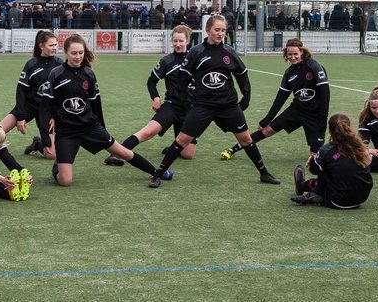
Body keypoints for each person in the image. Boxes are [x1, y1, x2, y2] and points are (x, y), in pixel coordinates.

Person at [148, 13, 281, 189]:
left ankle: (264, 173)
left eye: (223, 30)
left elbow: (242, 75)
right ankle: (157, 175)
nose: (220, 33)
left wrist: (246, 96)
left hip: (228, 106)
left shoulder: (229, 52)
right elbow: (183, 79)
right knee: (181, 140)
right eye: (217, 29)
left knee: (246, 140)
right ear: (208, 30)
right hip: (203, 106)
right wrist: (184, 99)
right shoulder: (196, 52)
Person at [37, 33, 162, 187]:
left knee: (122, 152)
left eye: (81, 53)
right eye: (74, 53)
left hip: (89, 127)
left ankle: (157, 172)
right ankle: (59, 165)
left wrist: (102, 128)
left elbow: (95, 104)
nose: (78, 57)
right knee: (65, 181)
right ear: (66, 53)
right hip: (66, 131)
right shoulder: (56, 74)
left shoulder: (88, 74)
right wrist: (47, 138)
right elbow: (45, 106)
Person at [221, 38, 330, 164]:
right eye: (290, 54)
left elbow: (325, 93)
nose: (293, 57)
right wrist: (267, 119)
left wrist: (323, 117)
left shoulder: (314, 66)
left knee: (315, 158)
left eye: (295, 54)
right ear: (286, 54)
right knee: (266, 130)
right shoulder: (289, 73)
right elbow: (280, 98)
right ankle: (233, 149)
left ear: (302, 52)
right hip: (297, 110)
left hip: (315, 114)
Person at [104, 25, 197, 170]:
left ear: (188, 41)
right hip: (171, 106)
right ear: (171, 41)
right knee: (147, 132)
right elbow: (151, 81)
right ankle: (115, 154)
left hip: (189, 110)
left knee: (188, 155)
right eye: (175, 41)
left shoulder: (195, 60)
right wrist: (156, 98)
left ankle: (173, 147)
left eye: (181, 41)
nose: (178, 44)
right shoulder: (167, 61)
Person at [290, 114, 374, 209]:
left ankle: (307, 189)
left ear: (330, 130)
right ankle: (310, 191)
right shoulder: (359, 146)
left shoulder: (327, 150)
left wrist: (313, 159)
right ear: (349, 127)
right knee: (335, 168)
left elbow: (314, 170)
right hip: (361, 199)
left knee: (324, 167)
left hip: (337, 201)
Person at [0, 30, 61, 159]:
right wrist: (20, 116)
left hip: (47, 111)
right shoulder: (31, 64)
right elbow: (21, 91)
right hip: (28, 106)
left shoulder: (60, 64)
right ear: (41, 46)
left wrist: (55, 115)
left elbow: (62, 94)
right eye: (51, 45)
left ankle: (37, 144)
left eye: (56, 45)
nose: (54, 48)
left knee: (51, 155)